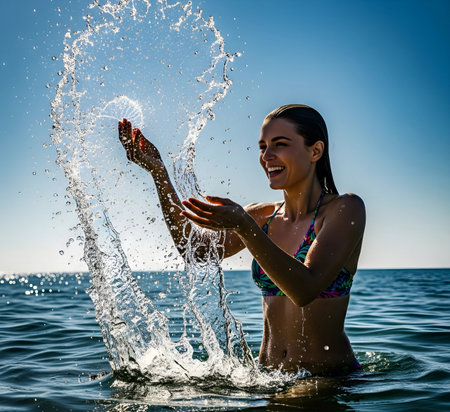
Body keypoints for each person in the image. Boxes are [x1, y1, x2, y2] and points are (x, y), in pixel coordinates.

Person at [118, 104, 366, 376]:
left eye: (279, 144)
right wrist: (158, 173)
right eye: (262, 147)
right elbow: (196, 251)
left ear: (315, 151)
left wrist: (245, 228)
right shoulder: (261, 217)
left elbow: (305, 289)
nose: (266, 156)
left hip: (328, 382)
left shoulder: (345, 209)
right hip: (269, 381)